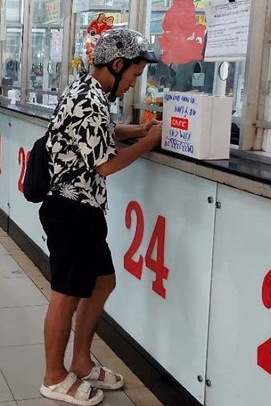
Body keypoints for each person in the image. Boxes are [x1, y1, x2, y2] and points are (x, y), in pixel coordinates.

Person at [38, 29, 162, 406]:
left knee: (103, 282)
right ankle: (54, 375)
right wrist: (149, 142)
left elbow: (102, 133)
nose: (132, 86)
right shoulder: (89, 99)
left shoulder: (87, 92)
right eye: (133, 77)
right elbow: (106, 165)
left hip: (85, 211)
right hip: (70, 210)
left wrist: (140, 128)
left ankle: (80, 360)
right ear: (118, 65)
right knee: (66, 295)